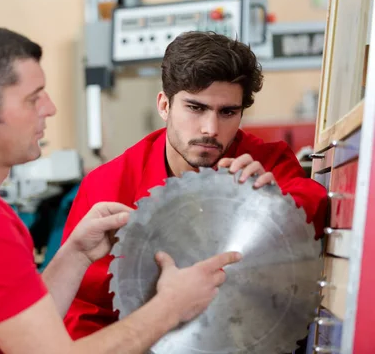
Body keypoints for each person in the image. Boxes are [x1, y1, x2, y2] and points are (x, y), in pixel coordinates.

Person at [0, 26, 242, 354]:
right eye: (34, 98)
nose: (50, 107)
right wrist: (170, 307)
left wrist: (76, 254)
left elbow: (25, 330)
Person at [60, 31, 329, 339]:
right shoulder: (108, 185)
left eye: (228, 112)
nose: (211, 129)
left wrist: (273, 206)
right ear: (164, 105)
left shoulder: (265, 162)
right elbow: (84, 310)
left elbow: (315, 202)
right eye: (195, 108)